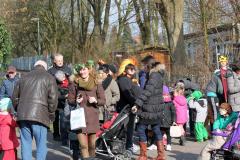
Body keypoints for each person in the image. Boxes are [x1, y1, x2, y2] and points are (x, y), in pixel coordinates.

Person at [12, 60, 58, 160]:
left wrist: (18, 109)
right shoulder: (49, 78)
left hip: (23, 115)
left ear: (34, 66)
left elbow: (14, 97)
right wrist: (51, 114)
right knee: (41, 145)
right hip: (40, 115)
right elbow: (53, 99)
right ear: (45, 68)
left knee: (26, 144)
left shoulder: (23, 77)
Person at [68, 62, 106, 159]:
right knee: (84, 146)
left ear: (89, 70)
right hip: (79, 119)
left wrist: (95, 100)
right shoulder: (75, 83)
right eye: (80, 70)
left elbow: (103, 100)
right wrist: (75, 101)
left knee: (92, 146)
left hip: (93, 118)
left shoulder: (96, 83)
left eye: (84, 69)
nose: (82, 72)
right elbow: (70, 100)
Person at [132, 61, 166, 160]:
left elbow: (147, 91)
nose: (144, 69)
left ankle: (143, 155)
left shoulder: (153, 76)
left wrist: (137, 104)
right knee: (156, 129)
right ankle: (161, 155)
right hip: (156, 108)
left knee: (141, 129)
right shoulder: (159, 75)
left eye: (145, 67)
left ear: (149, 67)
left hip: (149, 108)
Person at [116, 63, 142, 152]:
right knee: (126, 128)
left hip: (129, 107)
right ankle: (128, 146)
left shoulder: (130, 80)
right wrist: (136, 102)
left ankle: (128, 145)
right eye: (130, 69)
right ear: (125, 70)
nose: (132, 70)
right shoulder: (123, 80)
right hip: (125, 107)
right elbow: (127, 93)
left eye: (133, 69)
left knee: (129, 127)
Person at [205, 55, 232, 133]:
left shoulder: (229, 71)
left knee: (227, 111)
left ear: (226, 62)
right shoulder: (217, 72)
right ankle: (216, 128)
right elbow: (219, 85)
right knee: (218, 112)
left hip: (228, 94)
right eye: (221, 62)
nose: (223, 63)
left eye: (224, 61)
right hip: (219, 95)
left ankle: (226, 127)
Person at [48, 53, 72, 142]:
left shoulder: (68, 69)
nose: (60, 62)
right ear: (54, 61)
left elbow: (72, 82)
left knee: (64, 117)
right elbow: (49, 85)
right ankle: (56, 134)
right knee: (55, 117)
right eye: (58, 61)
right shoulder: (50, 71)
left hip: (65, 97)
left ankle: (64, 136)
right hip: (55, 96)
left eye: (61, 60)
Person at [160, 85, 176, 151]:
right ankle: (163, 144)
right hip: (162, 121)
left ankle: (168, 144)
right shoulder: (169, 103)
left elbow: (173, 112)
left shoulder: (170, 103)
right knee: (162, 133)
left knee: (168, 133)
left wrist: (174, 120)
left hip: (167, 121)